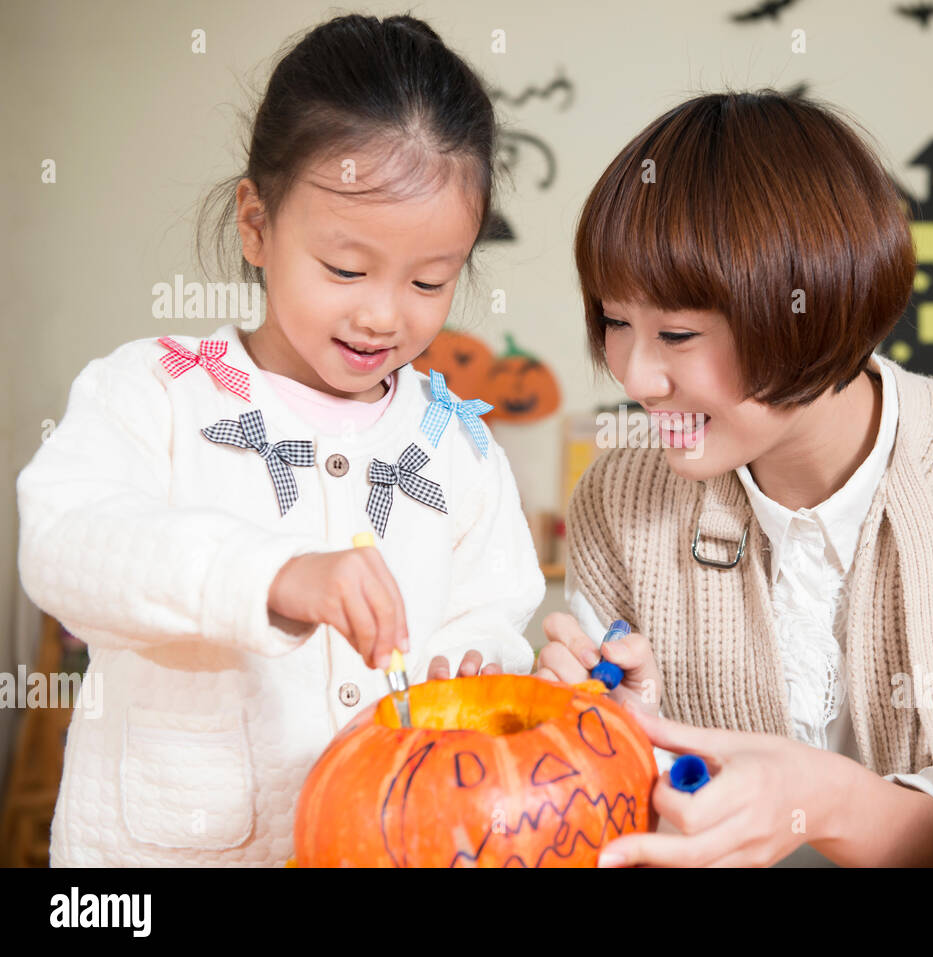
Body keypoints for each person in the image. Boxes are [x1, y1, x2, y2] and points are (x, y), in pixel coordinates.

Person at [15, 13, 542, 866]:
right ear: (257, 225)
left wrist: (462, 667)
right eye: (345, 269)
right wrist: (272, 573)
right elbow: (63, 545)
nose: (382, 313)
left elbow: (498, 613)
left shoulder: (458, 447)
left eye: (429, 280)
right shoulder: (154, 391)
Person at [536, 90, 933, 867]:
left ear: (810, 308)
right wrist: (619, 736)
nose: (635, 374)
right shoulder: (618, 499)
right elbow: (612, 820)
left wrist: (819, 801)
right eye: (613, 320)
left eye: (676, 333)